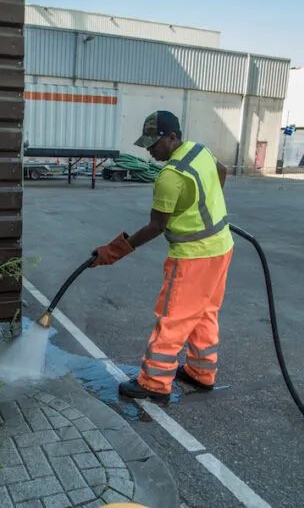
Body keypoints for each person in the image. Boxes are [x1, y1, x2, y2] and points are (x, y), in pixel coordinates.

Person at [91, 111, 234, 403]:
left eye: (154, 143)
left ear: (172, 137)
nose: (149, 150)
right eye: (146, 144)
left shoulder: (169, 176)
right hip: (221, 247)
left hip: (193, 257)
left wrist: (114, 251)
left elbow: (157, 226)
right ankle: (201, 372)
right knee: (205, 311)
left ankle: (154, 382)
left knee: (174, 318)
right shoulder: (198, 149)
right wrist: (206, 202)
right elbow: (222, 170)